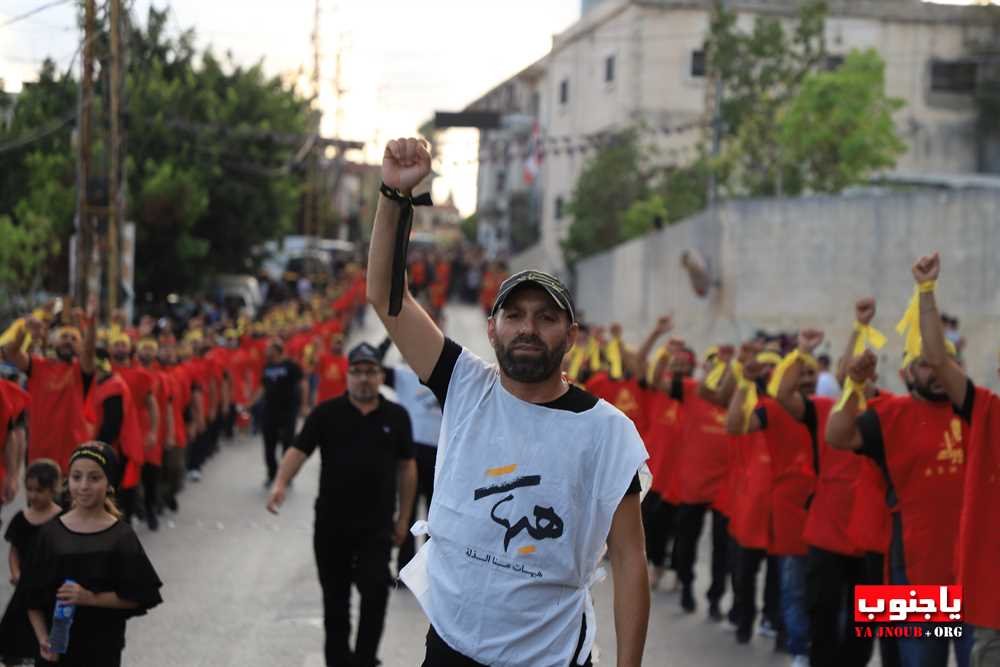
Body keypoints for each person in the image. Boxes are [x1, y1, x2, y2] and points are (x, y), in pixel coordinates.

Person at [366, 137, 649, 667]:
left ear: (571, 334)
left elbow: (631, 563)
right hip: (450, 650)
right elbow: (388, 296)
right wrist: (393, 195)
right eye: (515, 315)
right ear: (492, 328)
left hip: (549, 658)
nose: (529, 328)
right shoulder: (464, 384)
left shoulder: (608, 431)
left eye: (546, 317)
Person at [827, 253, 990, 667]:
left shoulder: (977, 412)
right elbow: (837, 435)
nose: (937, 371)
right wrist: (854, 383)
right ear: (906, 373)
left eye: (946, 364)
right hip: (914, 568)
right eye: (924, 365)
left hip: (975, 571)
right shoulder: (889, 414)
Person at [267, 342, 418, 667]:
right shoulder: (326, 413)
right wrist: (280, 483)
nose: (364, 379)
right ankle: (338, 661)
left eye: (371, 372)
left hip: (376, 527)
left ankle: (365, 659)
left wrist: (404, 517)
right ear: (348, 375)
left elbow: (407, 467)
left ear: (381, 376)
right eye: (358, 372)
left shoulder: (397, 416)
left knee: (375, 592)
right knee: (335, 603)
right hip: (332, 526)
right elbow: (299, 449)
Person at [22, 442, 162, 666]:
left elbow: (139, 596)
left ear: (109, 484)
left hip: (101, 649)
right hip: (57, 650)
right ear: (68, 481)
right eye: (77, 477)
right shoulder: (50, 534)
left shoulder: (121, 537)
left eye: (94, 478)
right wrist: (42, 638)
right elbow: (29, 595)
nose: (84, 486)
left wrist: (90, 598)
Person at [377, 344, 443, 573]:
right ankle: (405, 567)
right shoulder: (404, 375)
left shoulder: (447, 378)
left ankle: (429, 568)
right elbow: (375, 366)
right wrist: (388, 340)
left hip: (440, 455)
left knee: (435, 518)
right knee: (408, 510)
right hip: (410, 454)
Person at [0, 459, 62, 666]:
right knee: (17, 634)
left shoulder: (62, 520)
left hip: (51, 590)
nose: (33, 495)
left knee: (47, 636)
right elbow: (14, 551)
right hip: (26, 587)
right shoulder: (21, 519)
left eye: (40, 490)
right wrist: (16, 573)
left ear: (54, 489)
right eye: (30, 489)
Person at [253, 338, 307, 487]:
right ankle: (272, 474)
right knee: (268, 444)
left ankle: (285, 475)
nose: (266, 351)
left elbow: (303, 384)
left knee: (288, 445)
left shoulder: (292, 366)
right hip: (270, 411)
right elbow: (263, 387)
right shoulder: (267, 366)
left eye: (269, 349)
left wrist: (304, 405)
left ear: (277, 350)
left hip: (288, 411)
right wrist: (251, 403)